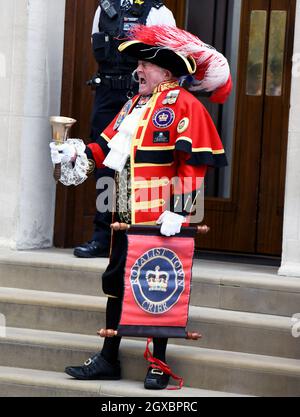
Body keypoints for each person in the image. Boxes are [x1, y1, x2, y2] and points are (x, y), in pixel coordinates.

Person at [50, 24, 231, 389]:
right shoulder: (133, 105)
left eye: (144, 66)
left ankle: (158, 363)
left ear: (166, 72)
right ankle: (108, 358)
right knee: (117, 282)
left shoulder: (185, 106)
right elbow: (106, 147)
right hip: (123, 211)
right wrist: (74, 151)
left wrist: (179, 213)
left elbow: (193, 165)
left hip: (161, 216)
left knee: (158, 284)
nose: (136, 71)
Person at [73, 0, 176, 258]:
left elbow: (168, 61)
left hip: (141, 94)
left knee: (140, 165)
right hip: (107, 95)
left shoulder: (158, 12)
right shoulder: (104, 8)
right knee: (104, 166)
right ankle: (102, 236)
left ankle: (137, 235)